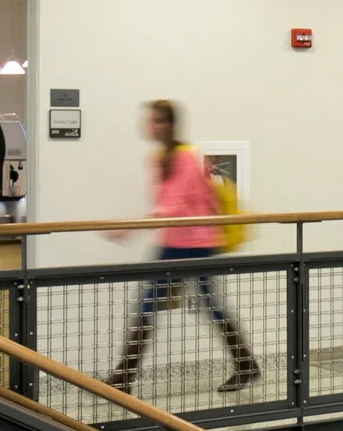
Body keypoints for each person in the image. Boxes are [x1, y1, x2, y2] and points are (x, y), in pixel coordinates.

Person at [108, 99, 260, 395]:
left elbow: (172, 207)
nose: (152, 126)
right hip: (174, 243)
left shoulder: (186, 157)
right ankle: (123, 376)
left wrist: (130, 228)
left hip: (198, 244)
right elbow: (169, 207)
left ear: (170, 125)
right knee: (151, 307)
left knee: (205, 306)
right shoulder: (159, 158)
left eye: (158, 121)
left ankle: (246, 365)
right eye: (150, 120)